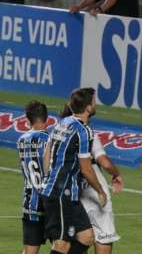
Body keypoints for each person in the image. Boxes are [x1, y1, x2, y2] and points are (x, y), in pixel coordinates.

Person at [41, 88, 107, 254]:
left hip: (65, 193)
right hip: (62, 193)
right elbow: (86, 168)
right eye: (93, 102)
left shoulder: (62, 123)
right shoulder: (84, 131)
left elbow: (46, 154)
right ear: (88, 107)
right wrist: (100, 191)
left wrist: (48, 178)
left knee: (86, 237)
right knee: (62, 245)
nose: (95, 104)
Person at [79, 135, 124, 254]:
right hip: (94, 193)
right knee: (104, 236)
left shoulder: (58, 133)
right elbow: (105, 163)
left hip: (71, 193)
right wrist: (116, 174)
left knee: (77, 240)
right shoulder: (86, 133)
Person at [18, 101, 50, 254]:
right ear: (47, 118)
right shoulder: (49, 140)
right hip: (50, 203)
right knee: (65, 245)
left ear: (27, 119)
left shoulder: (21, 140)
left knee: (29, 251)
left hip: (30, 202)